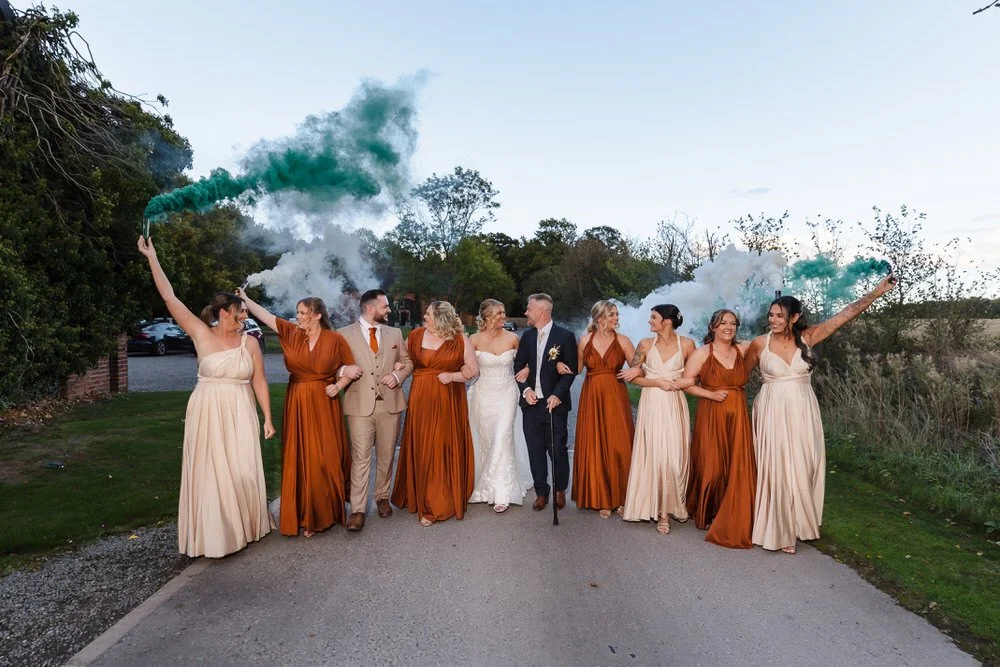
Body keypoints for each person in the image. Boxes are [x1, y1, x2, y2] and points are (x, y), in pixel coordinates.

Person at [137, 236, 274, 558]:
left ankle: (246, 525)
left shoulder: (250, 343)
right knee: (211, 470)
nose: (244, 318)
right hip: (207, 407)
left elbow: (261, 381)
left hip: (241, 408)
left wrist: (267, 417)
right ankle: (217, 535)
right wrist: (152, 257)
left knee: (241, 470)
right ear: (224, 312)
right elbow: (170, 299)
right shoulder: (201, 333)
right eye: (240, 313)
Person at [745, 277, 896, 554]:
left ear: (795, 317)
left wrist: (877, 292)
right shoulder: (758, 344)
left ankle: (799, 523)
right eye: (771, 315)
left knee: (804, 465)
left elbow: (846, 314)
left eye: (780, 315)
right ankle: (780, 531)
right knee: (775, 467)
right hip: (770, 410)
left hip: (804, 409)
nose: (773, 320)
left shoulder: (809, 337)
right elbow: (737, 375)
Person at [237, 289, 360, 537]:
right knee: (302, 457)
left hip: (325, 403)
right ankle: (306, 515)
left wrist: (339, 386)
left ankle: (326, 511)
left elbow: (352, 368)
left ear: (316, 315)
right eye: (297, 312)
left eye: (303, 313)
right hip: (298, 402)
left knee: (325, 456)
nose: (298, 317)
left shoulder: (335, 340)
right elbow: (266, 316)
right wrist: (246, 299)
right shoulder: (291, 333)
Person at [390, 301, 478, 526]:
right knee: (423, 445)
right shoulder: (416, 335)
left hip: (449, 400)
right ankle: (418, 494)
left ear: (440, 317)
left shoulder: (460, 339)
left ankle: (436, 504)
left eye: (428, 314)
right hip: (421, 400)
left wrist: (454, 377)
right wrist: (398, 368)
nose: (424, 316)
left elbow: (473, 370)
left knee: (441, 446)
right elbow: (405, 360)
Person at [336, 289, 413, 532]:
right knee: (361, 457)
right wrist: (343, 371)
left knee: (387, 454)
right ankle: (357, 510)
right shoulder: (343, 335)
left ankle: (382, 496)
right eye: (385, 306)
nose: (389, 310)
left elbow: (408, 361)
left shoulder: (395, 333)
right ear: (370, 309)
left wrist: (397, 375)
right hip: (359, 406)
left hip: (390, 404)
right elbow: (333, 365)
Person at [682, 309, 755, 549]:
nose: (729, 327)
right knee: (712, 465)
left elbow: (769, 343)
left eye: (733, 323)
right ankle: (706, 510)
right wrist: (710, 394)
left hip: (738, 415)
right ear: (713, 326)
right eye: (723, 323)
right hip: (712, 413)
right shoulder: (702, 353)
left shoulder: (742, 349)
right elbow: (688, 384)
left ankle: (734, 511)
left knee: (736, 465)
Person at [622, 304, 697, 534]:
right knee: (655, 455)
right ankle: (662, 512)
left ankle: (676, 503)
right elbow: (632, 377)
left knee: (674, 457)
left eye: (653, 317)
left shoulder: (687, 345)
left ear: (667, 321)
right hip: (652, 403)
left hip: (674, 404)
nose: (649, 321)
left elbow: (694, 377)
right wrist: (655, 381)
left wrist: (677, 383)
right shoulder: (644, 345)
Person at [571, 300, 641, 518]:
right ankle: (601, 497)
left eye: (617, 315)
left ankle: (621, 497)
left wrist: (637, 371)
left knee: (619, 443)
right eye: (612, 315)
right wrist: (559, 364)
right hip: (592, 395)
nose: (616, 319)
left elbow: (637, 365)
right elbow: (577, 368)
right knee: (595, 444)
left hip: (615, 395)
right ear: (599, 318)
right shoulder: (585, 341)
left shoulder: (623, 341)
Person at [513, 293, 579, 512]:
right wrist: (526, 389)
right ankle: (542, 492)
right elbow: (519, 367)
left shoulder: (565, 336)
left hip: (554, 404)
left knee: (557, 449)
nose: (526, 313)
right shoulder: (527, 337)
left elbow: (571, 371)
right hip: (531, 404)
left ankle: (560, 489)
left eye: (529, 309)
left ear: (541, 311)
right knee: (535, 449)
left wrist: (558, 394)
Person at [467, 299, 534, 513]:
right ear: (487, 317)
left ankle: (502, 491)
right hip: (483, 394)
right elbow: (465, 366)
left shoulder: (514, 339)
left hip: (507, 393)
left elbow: (530, 360)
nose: (503, 317)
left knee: (503, 436)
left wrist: (527, 370)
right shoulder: (473, 340)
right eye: (499, 314)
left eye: (504, 313)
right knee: (487, 439)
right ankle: (485, 483)